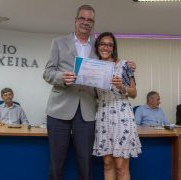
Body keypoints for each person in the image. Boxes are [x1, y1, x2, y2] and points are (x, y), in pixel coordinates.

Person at [43, 5, 136, 180]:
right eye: (82, 18)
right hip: (59, 110)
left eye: (90, 20)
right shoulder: (58, 42)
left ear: (93, 23)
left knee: (86, 164)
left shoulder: (98, 46)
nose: (86, 22)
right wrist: (62, 77)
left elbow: (113, 63)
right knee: (56, 162)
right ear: (76, 20)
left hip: (88, 112)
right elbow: (47, 73)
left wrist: (129, 66)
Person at [92, 32, 141, 180]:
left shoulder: (125, 65)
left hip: (122, 116)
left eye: (109, 45)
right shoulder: (93, 67)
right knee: (107, 163)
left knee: (120, 165)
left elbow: (134, 93)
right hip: (102, 115)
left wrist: (122, 87)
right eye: (102, 44)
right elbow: (93, 95)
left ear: (114, 48)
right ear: (97, 46)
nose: (105, 47)